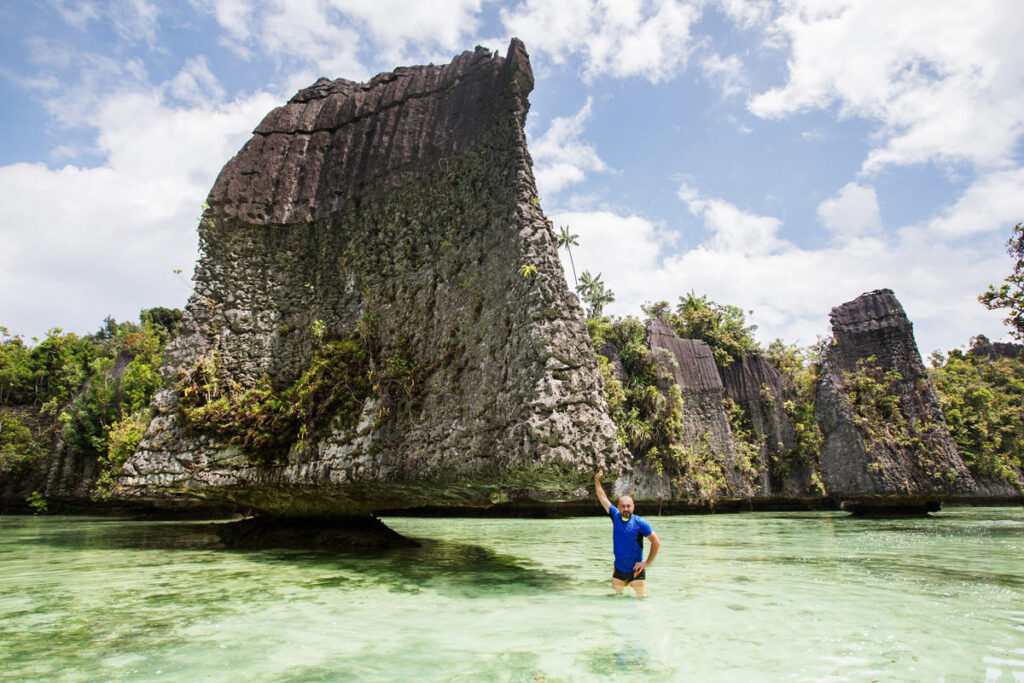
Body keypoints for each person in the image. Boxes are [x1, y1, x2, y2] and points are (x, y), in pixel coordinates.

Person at [594, 469, 661, 598]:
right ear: (618, 507)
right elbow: (602, 497)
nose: (626, 509)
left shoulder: (640, 522)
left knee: (641, 601)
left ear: (633, 507)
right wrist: (597, 479)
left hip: (636, 571)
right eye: (623, 506)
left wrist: (647, 563)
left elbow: (656, 542)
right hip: (619, 570)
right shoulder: (615, 516)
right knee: (617, 601)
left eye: (628, 506)